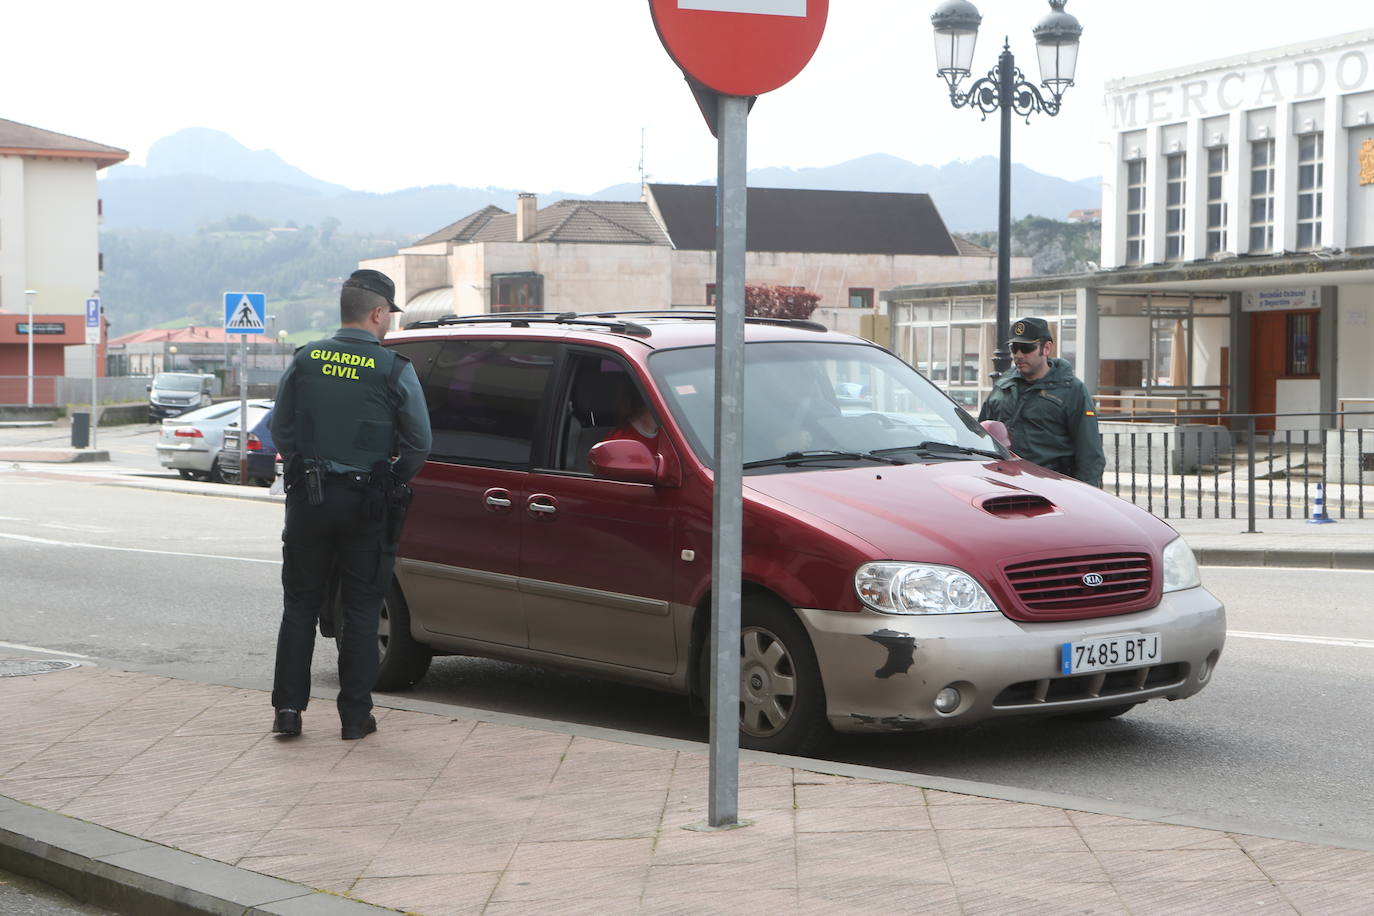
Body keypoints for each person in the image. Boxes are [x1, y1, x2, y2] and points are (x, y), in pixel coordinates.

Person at [268, 269, 432, 740]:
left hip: (309, 500)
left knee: (299, 605)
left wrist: (304, 464)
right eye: (387, 317)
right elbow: (419, 443)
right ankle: (355, 719)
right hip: (367, 504)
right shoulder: (394, 368)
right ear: (378, 313)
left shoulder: (305, 359)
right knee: (361, 609)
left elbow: (281, 429)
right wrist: (390, 480)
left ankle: (288, 713)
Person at [978, 316, 1105, 488]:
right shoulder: (1003, 387)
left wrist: (1086, 496)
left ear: (1046, 348)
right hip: (1005, 485)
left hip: (1052, 489)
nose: (1019, 355)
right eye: (1014, 348)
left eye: (1026, 347)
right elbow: (980, 434)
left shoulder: (1072, 390)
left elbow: (1090, 454)